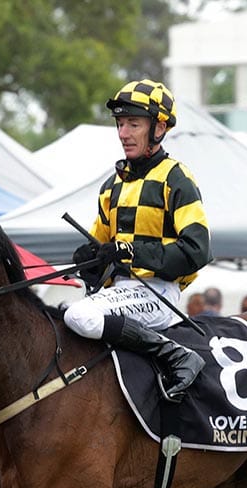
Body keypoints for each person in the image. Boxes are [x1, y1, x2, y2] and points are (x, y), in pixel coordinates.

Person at [67, 79, 209, 402]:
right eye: (120, 123)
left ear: (159, 128)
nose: (123, 133)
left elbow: (197, 250)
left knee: (78, 316)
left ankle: (178, 356)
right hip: (120, 293)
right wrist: (89, 259)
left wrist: (131, 252)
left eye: (133, 124)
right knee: (61, 315)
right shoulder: (111, 186)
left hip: (159, 293)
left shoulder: (176, 178)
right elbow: (103, 247)